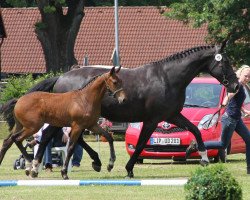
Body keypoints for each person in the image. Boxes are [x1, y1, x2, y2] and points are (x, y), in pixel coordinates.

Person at [186, 65, 250, 174]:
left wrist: (245, 111)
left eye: (249, 77)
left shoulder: (243, 86)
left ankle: (249, 169)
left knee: (249, 140)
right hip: (230, 119)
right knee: (222, 144)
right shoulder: (237, 85)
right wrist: (224, 102)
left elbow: (237, 102)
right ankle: (196, 146)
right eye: (246, 76)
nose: (248, 78)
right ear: (240, 74)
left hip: (237, 118)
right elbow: (229, 95)